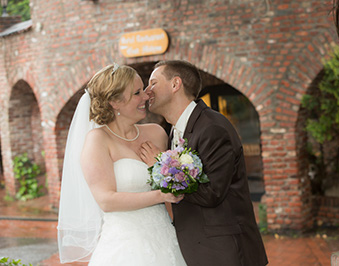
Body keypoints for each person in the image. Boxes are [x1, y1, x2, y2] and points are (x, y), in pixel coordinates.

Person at [140, 60, 268, 266]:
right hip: (198, 246)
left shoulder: (212, 128)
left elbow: (212, 193)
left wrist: (159, 165)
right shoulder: (175, 130)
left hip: (223, 250)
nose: (147, 91)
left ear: (175, 84)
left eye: (153, 83)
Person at [57, 63, 187, 266]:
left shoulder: (157, 133)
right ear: (114, 102)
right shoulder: (98, 141)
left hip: (166, 238)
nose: (146, 96)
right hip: (125, 246)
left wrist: (167, 173)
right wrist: (160, 195)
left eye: (143, 89)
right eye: (137, 93)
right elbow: (106, 201)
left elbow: (175, 184)